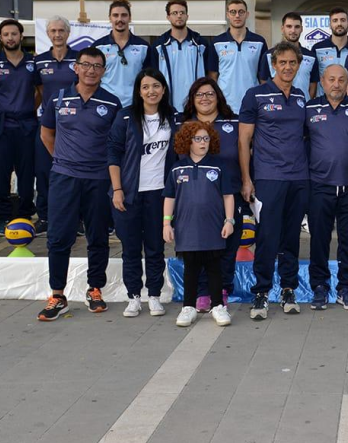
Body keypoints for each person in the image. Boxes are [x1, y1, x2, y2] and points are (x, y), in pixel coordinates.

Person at [38, 47, 122, 321]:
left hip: (98, 180)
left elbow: (115, 143)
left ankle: (95, 289)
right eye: (86, 65)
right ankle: (57, 294)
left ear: (103, 70)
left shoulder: (111, 103)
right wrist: (65, 161)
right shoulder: (58, 98)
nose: (91, 70)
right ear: (76, 67)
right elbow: (46, 134)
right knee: (59, 237)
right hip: (64, 177)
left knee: (97, 236)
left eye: (97, 66)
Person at [239, 41, 309, 320]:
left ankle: (288, 288)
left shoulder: (302, 96)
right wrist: (247, 179)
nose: (288, 67)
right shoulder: (255, 95)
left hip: (299, 178)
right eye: (283, 63)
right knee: (267, 237)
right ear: (274, 65)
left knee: (291, 237)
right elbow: (244, 140)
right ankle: (261, 291)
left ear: (298, 65)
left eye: (293, 63)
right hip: (268, 177)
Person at [108, 68, 181, 318]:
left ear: (163, 89)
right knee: (130, 248)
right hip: (129, 193)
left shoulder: (172, 117)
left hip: (159, 194)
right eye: (146, 87)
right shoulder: (126, 117)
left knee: (155, 247)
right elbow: (113, 154)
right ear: (139, 91)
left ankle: (154, 295)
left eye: (156, 86)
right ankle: (133, 296)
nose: (152, 91)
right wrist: (117, 189)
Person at [183, 77, 248, 312]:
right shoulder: (184, 125)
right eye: (199, 94)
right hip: (194, 198)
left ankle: (222, 288)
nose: (205, 98)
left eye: (210, 93)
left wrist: (247, 181)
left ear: (218, 96)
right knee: (198, 245)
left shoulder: (234, 122)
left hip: (231, 194)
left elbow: (244, 153)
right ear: (192, 99)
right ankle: (202, 291)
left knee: (228, 244)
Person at [163, 120, 236, 327]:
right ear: (188, 141)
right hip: (187, 228)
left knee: (214, 266)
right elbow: (169, 197)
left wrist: (229, 220)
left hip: (213, 226)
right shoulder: (177, 168)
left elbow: (228, 196)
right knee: (191, 268)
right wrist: (166, 224)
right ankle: (188, 307)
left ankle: (217, 305)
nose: (202, 142)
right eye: (197, 138)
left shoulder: (219, 167)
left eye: (206, 138)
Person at [305, 64, 348, 309]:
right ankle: (319, 285)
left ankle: (346, 286)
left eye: (341, 79)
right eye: (331, 79)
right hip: (319, 186)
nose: (336, 84)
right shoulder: (309, 109)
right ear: (322, 81)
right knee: (319, 240)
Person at [0, 19, 38, 237]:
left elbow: (39, 92)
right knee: (1, 174)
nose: (10, 38)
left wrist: (25, 109)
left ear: (21, 36)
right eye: (6, 34)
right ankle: (2, 217)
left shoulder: (32, 63)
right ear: (0, 37)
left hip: (26, 125)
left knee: (26, 174)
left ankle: (24, 215)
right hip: (0, 126)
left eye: (14, 34)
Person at [32, 16, 79, 237]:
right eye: (53, 31)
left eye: (61, 30)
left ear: (68, 33)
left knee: (74, 172)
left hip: (74, 126)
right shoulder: (39, 60)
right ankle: (45, 216)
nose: (57, 34)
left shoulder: (78, 59)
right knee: (43, 171)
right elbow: (39, 90)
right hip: (48, 124)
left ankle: (76, 218)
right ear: (48, 34)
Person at [152, 0, 217, 110]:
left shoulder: (201, 44)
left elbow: (211, 75)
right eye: (175, 13)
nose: (179, 16)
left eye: (182, 12)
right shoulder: (158, 46)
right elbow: (153, 77)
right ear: (168, 17)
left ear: (187, 16)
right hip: (168, 106)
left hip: (197, 107)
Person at [92, 0, 155, 108]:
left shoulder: (143, 47)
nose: (119, 19)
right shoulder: (98, 46)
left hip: (135, 105)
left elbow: (150, 79)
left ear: (130, 18)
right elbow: (92, 77)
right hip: (105, 105)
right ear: (110, 18)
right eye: (115, 15)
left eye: (124, 15)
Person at [212, 0, 268, 113]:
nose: (237, 15)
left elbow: (263, 78)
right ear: (228, 15)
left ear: (247, 14)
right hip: (224, 105)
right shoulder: (217, 42)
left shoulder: (259, 42)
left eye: (241, 12)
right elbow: (213, 77)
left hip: (252, 103)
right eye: (233, 12)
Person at [265, 12, 318, 100]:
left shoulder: (311, 57)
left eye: (297, 27)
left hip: (302, 108)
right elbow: (264, 83)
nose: (293, 30)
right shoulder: (268, 55)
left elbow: (313, 86)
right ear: (282, 29)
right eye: (289, 26)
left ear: (301, 29)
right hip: (276, 108)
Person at [313, 7, 348, 96]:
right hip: (323, 104)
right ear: (330, 24)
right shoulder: (317, 48)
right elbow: (313, 80)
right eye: (335, 20)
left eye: (343, 20)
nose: (339, 24)